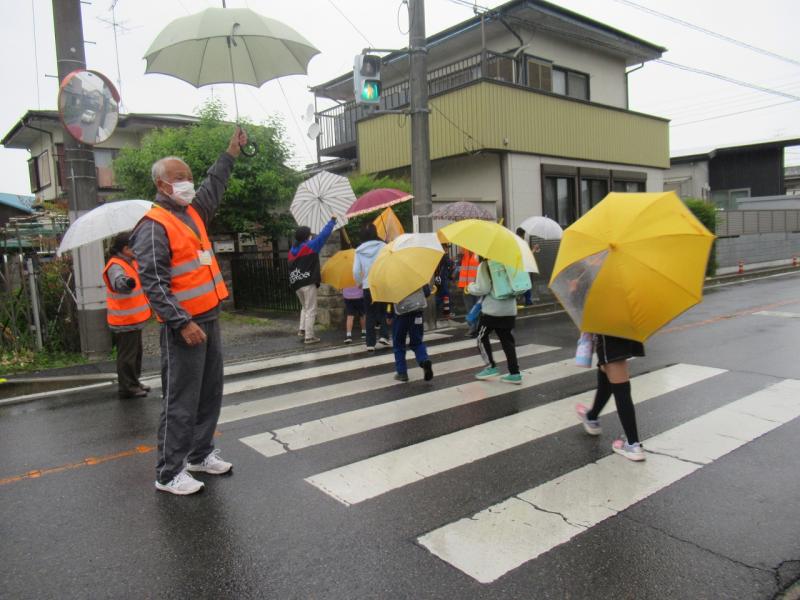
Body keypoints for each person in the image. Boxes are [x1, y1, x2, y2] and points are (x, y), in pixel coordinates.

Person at [131, 127, 247, 496]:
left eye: (189, 178)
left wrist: (231, 152)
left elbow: (214, 185)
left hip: (209, 317)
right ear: (162, 185)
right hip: (185, 326)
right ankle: (168, 473)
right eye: (180, 179)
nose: (188, 184)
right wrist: (182, 323)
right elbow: (154, 282)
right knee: (180, 399)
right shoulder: (153, 224)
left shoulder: (192, 214)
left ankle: (199, 454)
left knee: (210, 392)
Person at [576, 334, 646, 461]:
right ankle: (592, 417)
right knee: (606, 369)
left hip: (610, 336)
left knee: (621, 388)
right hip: (624, 329)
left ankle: (633, 445)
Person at [102, 231, 152, 400]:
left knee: (136, 354)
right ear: (125, 249)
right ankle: (127, 387)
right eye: (134, 247)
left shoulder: (130, 262)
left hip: (133, 319)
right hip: (124, 320)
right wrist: (127, 283)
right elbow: (119, 282)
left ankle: (134, 382)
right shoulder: (116, 265)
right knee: (128, 356)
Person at [467, 258, 522, 384]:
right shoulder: (512, 263)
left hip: (492, 310)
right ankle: (515, 374)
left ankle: (491, 366)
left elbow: (483, 288)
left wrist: (470, 287)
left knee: (481, 337)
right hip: (509, 310)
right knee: (507, 341)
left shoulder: (486, 265)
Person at [288, 217, 337, 344]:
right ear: (306, 236)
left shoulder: (291, 251)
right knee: (311, 309)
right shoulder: (309, 247)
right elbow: (323, 236)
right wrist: (332, 221)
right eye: (310, 234)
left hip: (296, 283)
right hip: (307, 282)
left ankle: (302, 329)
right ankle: (309, 337)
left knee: (305, 307)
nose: (311, 236)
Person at [353, 223, 390, 351]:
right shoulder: (384, 246)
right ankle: (384, 336)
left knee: (370, 314)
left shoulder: (359, 250)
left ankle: (370, 343)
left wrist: (359, 282)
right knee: (382, 311)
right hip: (382, 283)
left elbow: (356, 270)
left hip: (367, 285)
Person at [388, 285, 434, 382]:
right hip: (417, 312)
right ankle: (424, 360)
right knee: (417, 342)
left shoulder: (391, 277)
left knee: (399, 343)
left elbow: (388, 298)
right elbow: (427, 292)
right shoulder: (415, 273)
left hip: (401, 314)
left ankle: (402, 373)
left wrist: (388, 315)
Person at [456, 248, 480, 336]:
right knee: (469, 308)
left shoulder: (479, 253)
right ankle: (473, 327)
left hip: (477, 286)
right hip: (466, 287)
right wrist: (459, 255)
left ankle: (477, 327)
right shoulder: (464, 252)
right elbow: (457, 265)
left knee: (477, 307)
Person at [515, 228, 534, 307]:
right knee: (526, 283)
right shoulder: (523, 243)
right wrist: (533, 250)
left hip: (515, 265)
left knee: (516, 283)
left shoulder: (513, 241)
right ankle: (528, 300)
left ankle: (515, 300)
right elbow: (527, 255)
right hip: (523, 265)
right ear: (523, 234)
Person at [434, 246, 453, 320]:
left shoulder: (436, 255)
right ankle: (446, 314)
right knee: (445, 296)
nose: (447, 249)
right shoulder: (444, 256)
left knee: (440, 296)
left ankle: (442, 313)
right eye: (446, 248)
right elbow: (450, 264)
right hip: (443, 279)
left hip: (438, 279)